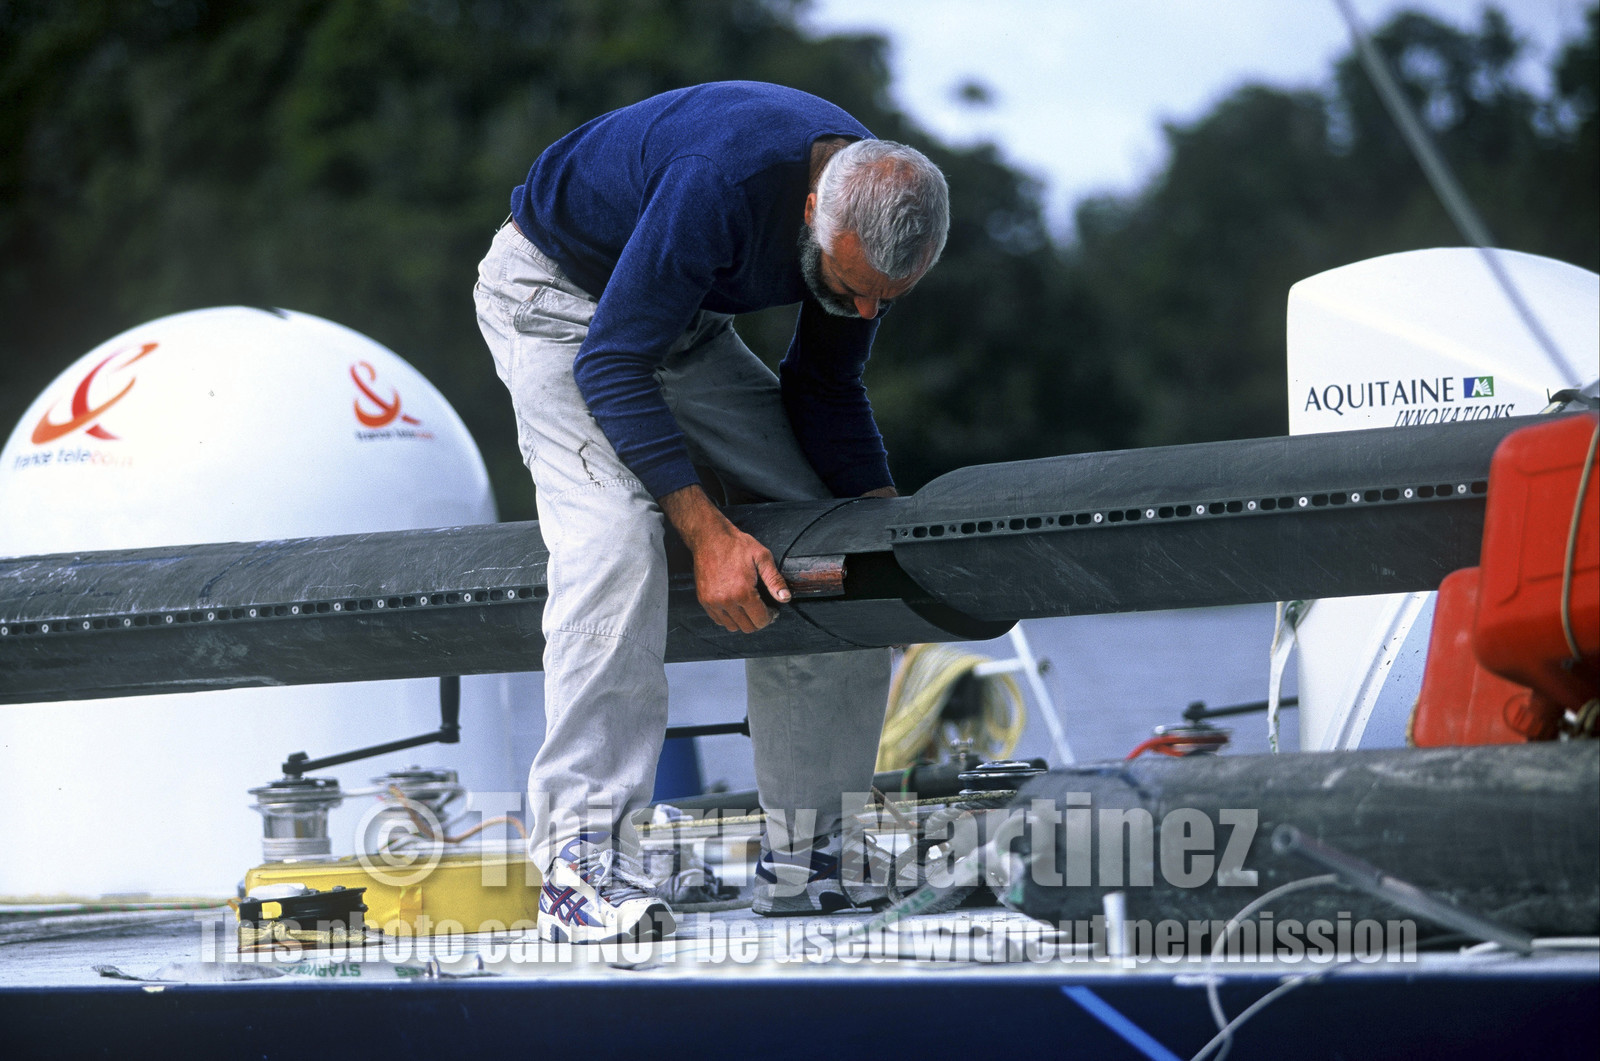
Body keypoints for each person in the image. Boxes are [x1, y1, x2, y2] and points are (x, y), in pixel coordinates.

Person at [473, 81, 949, 944]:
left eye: (890, 298)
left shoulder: (870, 206)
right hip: (556, 307)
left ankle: (811, 852)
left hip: (684, 327)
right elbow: (613, 362)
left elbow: (827, 384)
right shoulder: (719, 183)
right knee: (616, 539)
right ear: (813, 211)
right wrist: (709, 533)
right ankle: (581, 858)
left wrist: (887, 534)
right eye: (853, 287)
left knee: (834, 542)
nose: (868, 310)